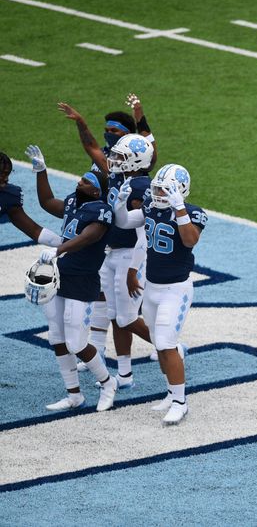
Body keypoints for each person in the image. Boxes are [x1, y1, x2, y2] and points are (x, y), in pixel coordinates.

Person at [58, 94, 160, 362]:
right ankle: (102, 352)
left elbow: (150, 153)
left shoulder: (138, 181)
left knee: (124, 315)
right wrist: (80, 122)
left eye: (114, 132)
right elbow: (92, 146)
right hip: (108, 243)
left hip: (130, 248)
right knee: (104, 303)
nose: (108, 139)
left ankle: (169, 346)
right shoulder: (114, 169)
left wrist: (140, 118)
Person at [25, 145, 118, 411]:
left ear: (96, 191)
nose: (80, 180)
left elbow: (91, 235)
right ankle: (74, 394)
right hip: (61, 276)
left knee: (76, 341)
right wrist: (41, 171)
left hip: (83, 280)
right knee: (56, 336)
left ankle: (107, 382)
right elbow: (46, 202)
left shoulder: (102, 210)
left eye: (86, 181)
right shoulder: (73, 202)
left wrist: (59, 249)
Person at [113, 164, 207, 425]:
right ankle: (171, 393)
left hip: (176, 289)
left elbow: (190, 240)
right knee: (160, 343)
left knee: (166, 342)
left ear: (180, 191)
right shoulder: (151, 207)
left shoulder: (193, 212)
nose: (158, 193)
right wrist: (120, 205)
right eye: (157, 187)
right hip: (152, 288)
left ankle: (181, 402)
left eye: (164, 189)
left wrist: (179, 209)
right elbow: (124, 222)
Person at [97, 134, 155, 388]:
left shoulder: (142, 187)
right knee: (114, 315)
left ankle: (171, 345)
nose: (114, 159)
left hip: (130, 255)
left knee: (128, 318)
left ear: (135, 160)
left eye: (120, 156)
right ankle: (124, 374)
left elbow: (142, 232)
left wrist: (133, 269)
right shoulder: (118, 177)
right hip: (111, 253)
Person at [0, 151, 62, 247]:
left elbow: (35, 231)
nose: (5, 179)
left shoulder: (8, 196)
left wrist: (67, 246)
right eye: (2, 174)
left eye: (7, 174)